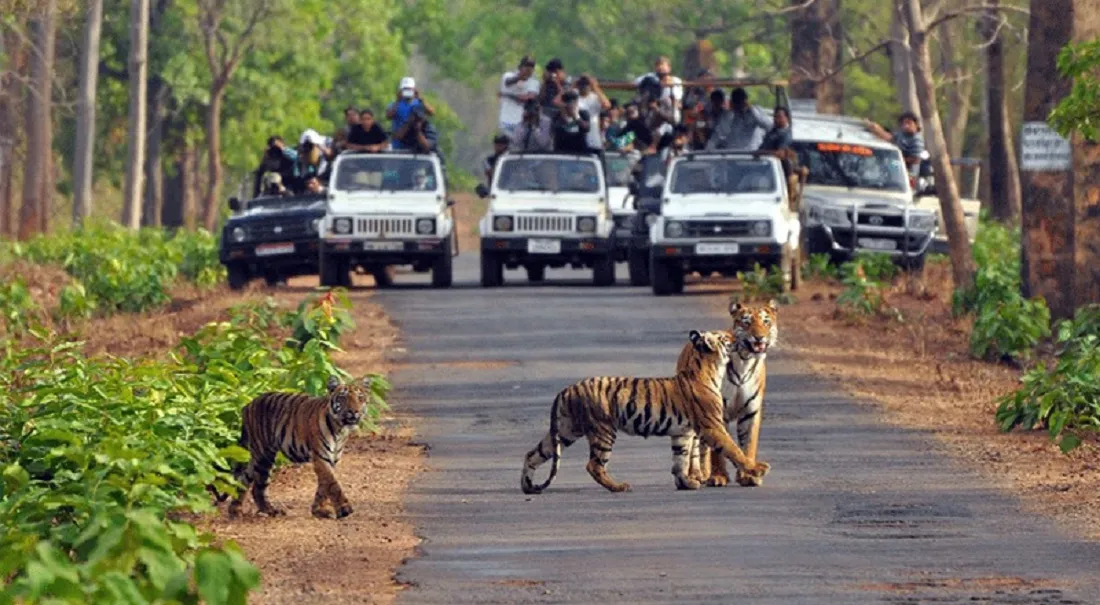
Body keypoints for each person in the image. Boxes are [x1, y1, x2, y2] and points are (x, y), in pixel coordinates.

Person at [706, 87, 771, 151]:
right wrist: (708, 150)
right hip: (733, 154)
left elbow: (769, 126)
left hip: (752, 155)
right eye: (736, 102)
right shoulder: (728, 115)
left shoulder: (755, 113)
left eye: (740, 103)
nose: (738, 106)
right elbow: (718, 134)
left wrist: (751, 110)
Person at [387, 76, 435, 149]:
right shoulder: (395, 104)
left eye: (409, 90)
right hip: (398, 144)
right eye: (405, 90)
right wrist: (398, 100)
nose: (407, 92)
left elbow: (432, 112)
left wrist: (420, 98)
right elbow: (388, 116)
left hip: (416, 141)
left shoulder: (419, 103)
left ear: (414, 90)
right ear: (401, 91)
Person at [498, 56, 541, 138]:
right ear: (520, 67)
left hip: (522, 123)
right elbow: (508, 82)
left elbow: (528, 98)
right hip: (505, 121)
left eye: (531, 68)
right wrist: (520, 77)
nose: (529, 71)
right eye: (527, 67)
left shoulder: (534, 82)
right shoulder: (508, 75)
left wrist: (507, 95)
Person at [633, 56, 684, 124]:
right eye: (658, 65)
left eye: (663, 65)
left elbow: (676, 99)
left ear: (669, 68)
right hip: (651, 110)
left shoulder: (675, 80)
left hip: (668, 111)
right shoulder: (650, 77)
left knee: (667, 102)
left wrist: (658, 107)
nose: (660, 67)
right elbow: (635, 83)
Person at [574, 75, 611, 151]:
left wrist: (595, 86)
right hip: (576, 133)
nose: (584, 87)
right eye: (582, 84)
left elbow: (607, 105)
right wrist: (573, 85)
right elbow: (557, 102)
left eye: (586, 84)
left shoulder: (595, 97)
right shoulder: (574, 95)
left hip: (592, 136)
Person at [552, 89, 592, 154]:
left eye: (573, 101)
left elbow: (586, 128)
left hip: (580, 151)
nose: (570, 105)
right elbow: (555, 130)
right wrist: (564, 115)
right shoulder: (557, 115)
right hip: (562, 150)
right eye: (567, 101)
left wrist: (576, 116)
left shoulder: (583, 113)